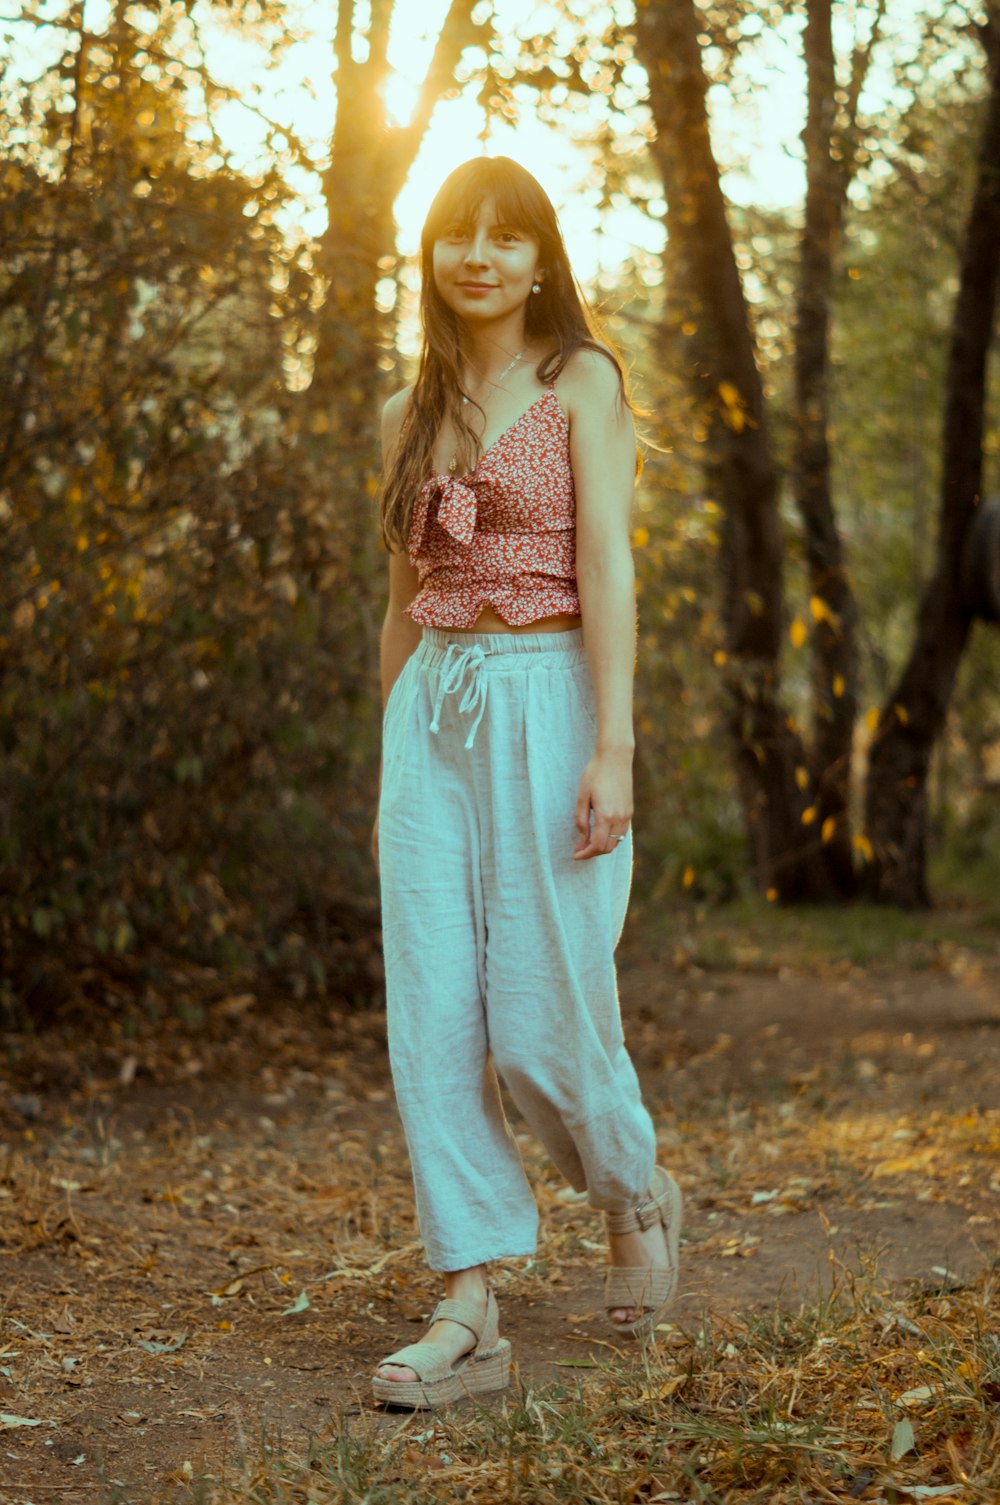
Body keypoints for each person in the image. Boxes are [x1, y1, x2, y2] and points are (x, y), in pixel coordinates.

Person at [370, 155, 681, 1411]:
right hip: (431, 712)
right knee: (434, 1010)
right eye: (458, 236)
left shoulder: (581, 382)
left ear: (539, 256)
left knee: (543, 1014)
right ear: (434, 256)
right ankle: (469, 1294)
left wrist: (612, 746)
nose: (479, 257)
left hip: (549, 697)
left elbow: (605, 566)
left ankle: (630, 1188)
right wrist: (387, 756)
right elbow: (396, 602)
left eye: (505, 238)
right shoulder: (414, 403)